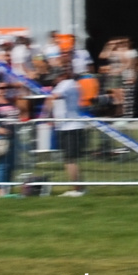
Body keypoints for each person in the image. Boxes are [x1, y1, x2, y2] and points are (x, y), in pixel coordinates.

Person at [48, 63, 86, 196]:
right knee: (69, 159)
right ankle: (78, 187)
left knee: (70, 160)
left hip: (70, 126)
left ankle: (77, 189)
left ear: (62, 75)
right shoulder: (68, 84)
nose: (54, 80)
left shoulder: (67, 83)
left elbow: (54, 96)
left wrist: (44, 114)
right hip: (65, 126)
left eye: (56, 77)